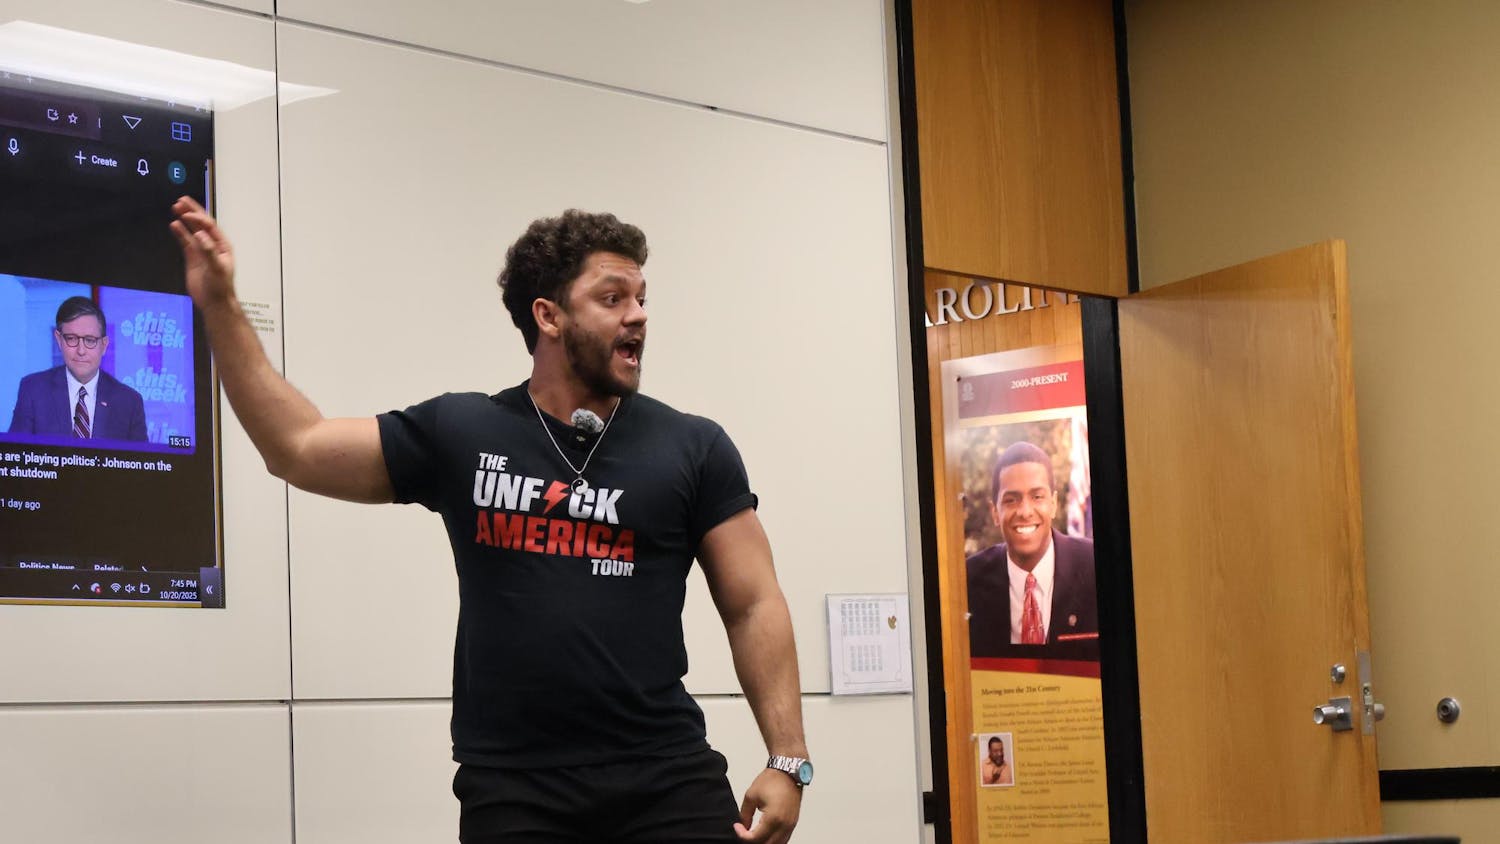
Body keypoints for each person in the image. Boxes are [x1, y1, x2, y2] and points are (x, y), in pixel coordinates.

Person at [169, 197, 809, 844]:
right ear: (548, 316)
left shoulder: (693, 447)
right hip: (515, 789)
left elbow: (754, 602)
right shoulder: (465, 431)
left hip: (666, 778)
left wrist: (788, 759)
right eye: (613, 298)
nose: (639, 314)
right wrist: (220, 304)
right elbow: (297, 448)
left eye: (642, 297)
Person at [966, 441, 1098, 658]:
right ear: (995, 512)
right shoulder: (968, 582)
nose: (1025, 511)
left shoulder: (1096, 567)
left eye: (1037, 496)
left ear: (1054, 504)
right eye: (1011, 500)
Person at [8, 296, 147, 441]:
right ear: (59, 340)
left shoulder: (129, 402)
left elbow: (142, 462)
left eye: (90, 340)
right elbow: (15, 455)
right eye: (72, 339)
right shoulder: (33, 390)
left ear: (104, 345)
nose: (81, 350)